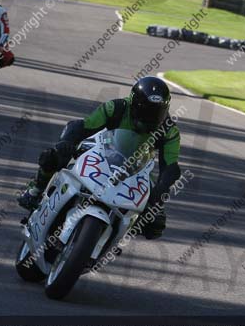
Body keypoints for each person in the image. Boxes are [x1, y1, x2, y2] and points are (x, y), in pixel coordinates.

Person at [17, 76, 181, 240]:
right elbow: (83, 126)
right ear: (133, 103)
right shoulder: (116, 107)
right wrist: (66, 142)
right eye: (145, 110)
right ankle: (35, 190)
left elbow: (170, 167)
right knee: (52, 156)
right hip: (102, 151)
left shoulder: (170, 131)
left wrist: (160, 191)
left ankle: (117, 236)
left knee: (156, 220)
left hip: (137, 168)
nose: (150, 116)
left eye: (156, 112)